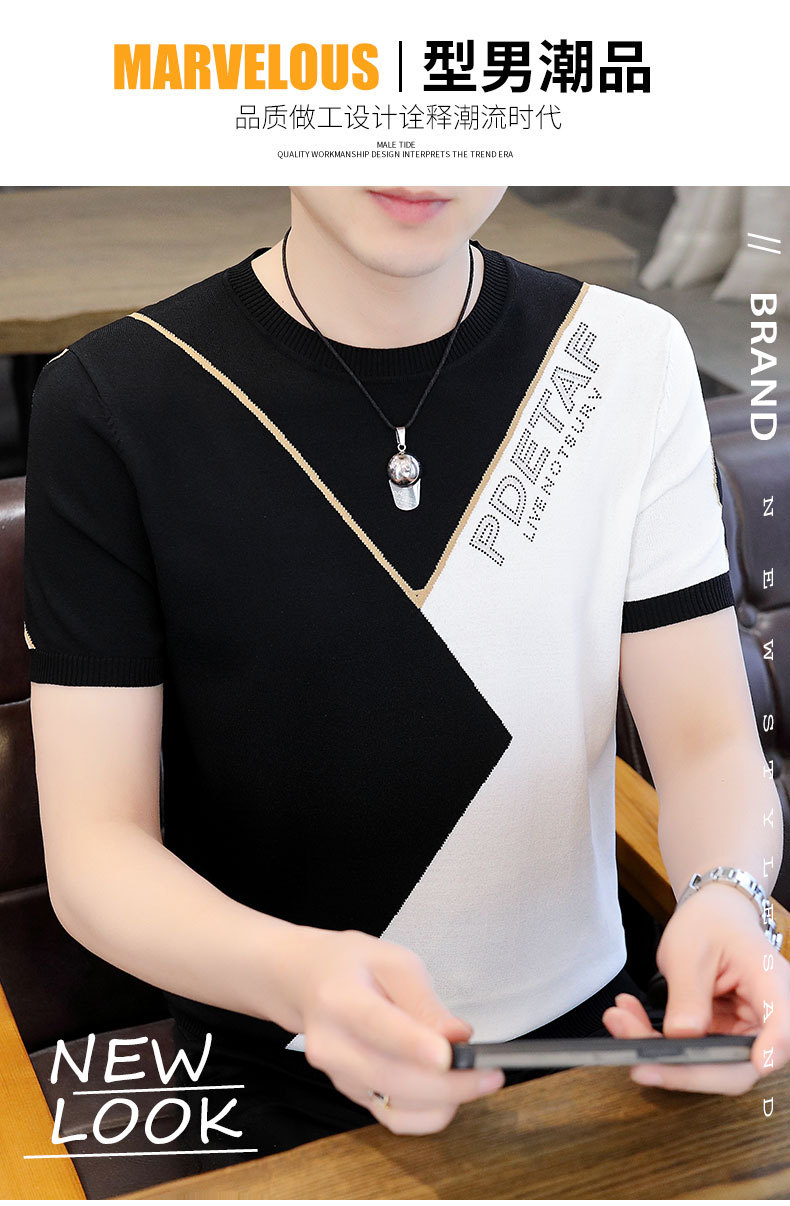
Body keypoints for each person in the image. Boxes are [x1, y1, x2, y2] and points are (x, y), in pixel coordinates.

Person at [24, 186, 788, 1170]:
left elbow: (709, 743)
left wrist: (727, 896)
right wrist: (299, 979)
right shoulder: (115, 396)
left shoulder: (627, 357)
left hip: (610, 1052)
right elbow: (96, 850)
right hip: (276, 1071)